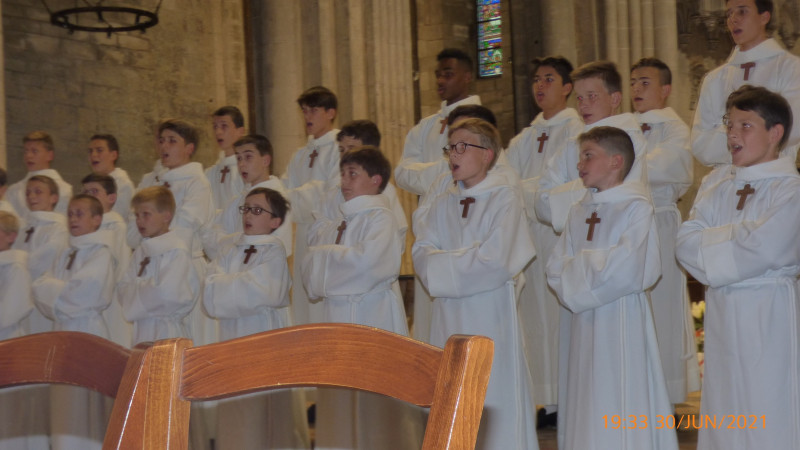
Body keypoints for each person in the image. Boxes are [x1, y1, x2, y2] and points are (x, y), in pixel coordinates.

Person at [676, 85, 800, 450]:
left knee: (765, 401)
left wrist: (715, 241)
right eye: (730, 124)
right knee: (725, 404)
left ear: (775, 133)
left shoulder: (790, 190)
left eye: (745, 125)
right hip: (722, 310)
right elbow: (685, 243)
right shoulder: (718, 184)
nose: (731, 134)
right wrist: (736, 237)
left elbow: (768, 247)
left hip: (767, 310)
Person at [547, 126, 677, 450]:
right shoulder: (578, 210)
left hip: (621, 316)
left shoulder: (637, 207)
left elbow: (630, 268)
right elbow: (554, 268)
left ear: (617, 161)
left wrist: (580, 273)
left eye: (589, 155)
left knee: (620, 392)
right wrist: (594, 269)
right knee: (586, 392)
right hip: (583, 323)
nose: (580, 164)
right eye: (580, 157)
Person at [412, 118, 538, 449]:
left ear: (488, 155)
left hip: (490, 314)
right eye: (450, 147)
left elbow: (494, 262)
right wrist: (463, 261)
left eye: (463, 147)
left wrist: (447, 264)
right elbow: (423, 256)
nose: (453, 154)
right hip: (448, 318)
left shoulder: (505, 200)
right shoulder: (440, 204)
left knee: (492, 389)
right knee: (451, 392)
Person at [302, 146, 423, 450]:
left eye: (352, 173)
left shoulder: (381, 220)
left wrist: (327, 256)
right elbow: (309, 272)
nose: (344, 180)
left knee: (376, 403)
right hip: (336, 317)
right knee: (340, 403)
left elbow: (368, 267)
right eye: (343, 173)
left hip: (372, 315)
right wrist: (338, 260)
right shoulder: (336, 221)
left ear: (375, 180)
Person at [505, 56, 583, 422]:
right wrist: (533, 192)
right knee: (533, 315)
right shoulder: (524, 137)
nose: (540, 86)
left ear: (567, 87)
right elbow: (505, 181)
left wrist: (530, 192)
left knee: (556, 314)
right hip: (528, 233)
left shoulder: (576, 130)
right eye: (536, 79)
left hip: (558, 231)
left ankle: (565, 397)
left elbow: (575, 182)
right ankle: (544, 398)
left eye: (549, 79)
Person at [204, 187, 310, 450]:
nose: (248, 215)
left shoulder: (274, 253)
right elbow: (210, 295)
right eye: (246, 208)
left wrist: (229, 289)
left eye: (257, 210)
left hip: (263, 345)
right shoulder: (228, 251)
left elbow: (268, 292)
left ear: (275, 221)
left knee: (263, 417)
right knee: (235, 414)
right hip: (231, 342)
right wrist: (243, 289)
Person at [396, 49, 481, 343]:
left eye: (448, 73)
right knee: (429, 320)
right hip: (432, 227)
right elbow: (402, 172)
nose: (440, 80)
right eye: (438, 73)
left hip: (466, 230)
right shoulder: (426, 126)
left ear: (467, 77)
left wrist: (443, 173)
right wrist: (445, 173)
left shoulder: (480, 121)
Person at [630, 57, 700, 405]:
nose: (636, 90)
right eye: (632, 83)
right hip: (628, 226)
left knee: (664, 307)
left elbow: (667, 167)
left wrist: (621, 165)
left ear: (665, 89)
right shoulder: (626, 125)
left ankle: (668, 392)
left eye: (644, 82)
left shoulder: (675, 129)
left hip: (659, 223)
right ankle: (639, 387)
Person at [32, 195, 115, 450]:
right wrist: (63, 292)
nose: (72, 219)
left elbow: (82, 294)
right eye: (70, 213)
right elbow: (38, 287)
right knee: (63, 407)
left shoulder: (101, 253)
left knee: (85, 406)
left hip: (86, 332)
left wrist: (57, 292)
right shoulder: (66, 251)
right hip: (62, 333)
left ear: (96, 219)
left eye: (80, 214)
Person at [691, 0, 800, 168]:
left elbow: (791, 130)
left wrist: (726, 129)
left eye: (742, 12)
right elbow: (701, 147)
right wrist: (751, 128)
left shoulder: (791, 68)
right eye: (729, 14)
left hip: (774, 181)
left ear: (764, 17)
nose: (733, 19)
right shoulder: (714, 79)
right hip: (724, 184)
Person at [282, 86, 340, 325]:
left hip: (328, 234)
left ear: (330, 113)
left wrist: (301, 195)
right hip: (304, 235)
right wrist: (311, 191)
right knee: (304, 306)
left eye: (313, 111)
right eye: (304, 111)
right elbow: (283, 197)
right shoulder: (299, 155)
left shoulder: (338, 148)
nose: (307, 117)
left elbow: (332, 194)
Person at [117, 186, 198, 344]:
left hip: (167, 331)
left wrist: (137, 288)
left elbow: (168, 295)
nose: (139, 221)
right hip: (140, 331)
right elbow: (122, 291)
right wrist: (149, 287)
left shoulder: (176, 252)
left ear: (166, 216)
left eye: (146, 214)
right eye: (137, 215)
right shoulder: (140, 252)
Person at [211, 134, 292, 256]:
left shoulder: (278, 200)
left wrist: (231, 241)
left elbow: (277, 247)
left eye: (248, 157)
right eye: (238, 158)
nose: (241, 164)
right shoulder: (239, 199)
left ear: (265, 161)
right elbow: (217, 230)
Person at [82, 173, 132, 347]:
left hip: (110, 300)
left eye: (94, 191)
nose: (88, 196)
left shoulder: (116, 227)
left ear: (111, 198)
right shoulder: (82, 227)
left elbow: (121, 268)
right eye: (85, 192)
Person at [0, 211, 36, 450]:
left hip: (8, 341)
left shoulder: (16, 268)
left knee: (9, 412)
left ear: (11, 236)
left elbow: (12, 311)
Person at [6, 131, 73, 215]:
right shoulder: (14, 190)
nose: (28, 155)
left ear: (50, 155)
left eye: (34, 151)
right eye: (26, 151)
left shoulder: (63, 189)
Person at [206, 106, 246, 209]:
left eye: (224, 126)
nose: (218, 132)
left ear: (240, 131)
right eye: (215, 127)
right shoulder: (210, 173)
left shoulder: (247, 169)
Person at [87, 134, 135, 219]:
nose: (93, 155)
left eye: (99, 150)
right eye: (90, 151)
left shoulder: (123, 185)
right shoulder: (88, 183)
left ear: (113, 155)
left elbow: (118, 217)